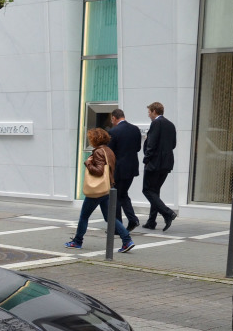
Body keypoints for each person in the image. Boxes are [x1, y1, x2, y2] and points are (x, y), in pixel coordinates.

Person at [65, 128, 134, 252]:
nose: (89, 140)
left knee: (84, 216)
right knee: (110, 218)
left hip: (97, 191)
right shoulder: (109, 151)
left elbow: (99, 171)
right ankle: (127, 240)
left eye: (90, 138)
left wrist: (88, 164)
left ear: (95, 139)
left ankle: (77, 241)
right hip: (107, 188)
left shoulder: (98, 152)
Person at [141, 102, 177, 231]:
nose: (149, 114)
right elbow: (173, 144)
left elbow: (152, 143)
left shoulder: (156, 123)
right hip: (166, 163)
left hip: (154, 163)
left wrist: (146, 159)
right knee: (154, 191)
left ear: (155, 111)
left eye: (149, 112)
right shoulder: (171, 124)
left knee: (147, 190)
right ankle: (151, 221)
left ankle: (168, 213)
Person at [107, 109, 142, 230]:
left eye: (112, 119)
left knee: (115, 196)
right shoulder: (135, 129)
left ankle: (117, 227)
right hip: (132, 168)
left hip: (119, 169)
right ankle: (132, 220)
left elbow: (109, 152)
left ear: (114, 118)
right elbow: (138, 148)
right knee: (123, 194)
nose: (112, 121)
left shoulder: (113, 131)